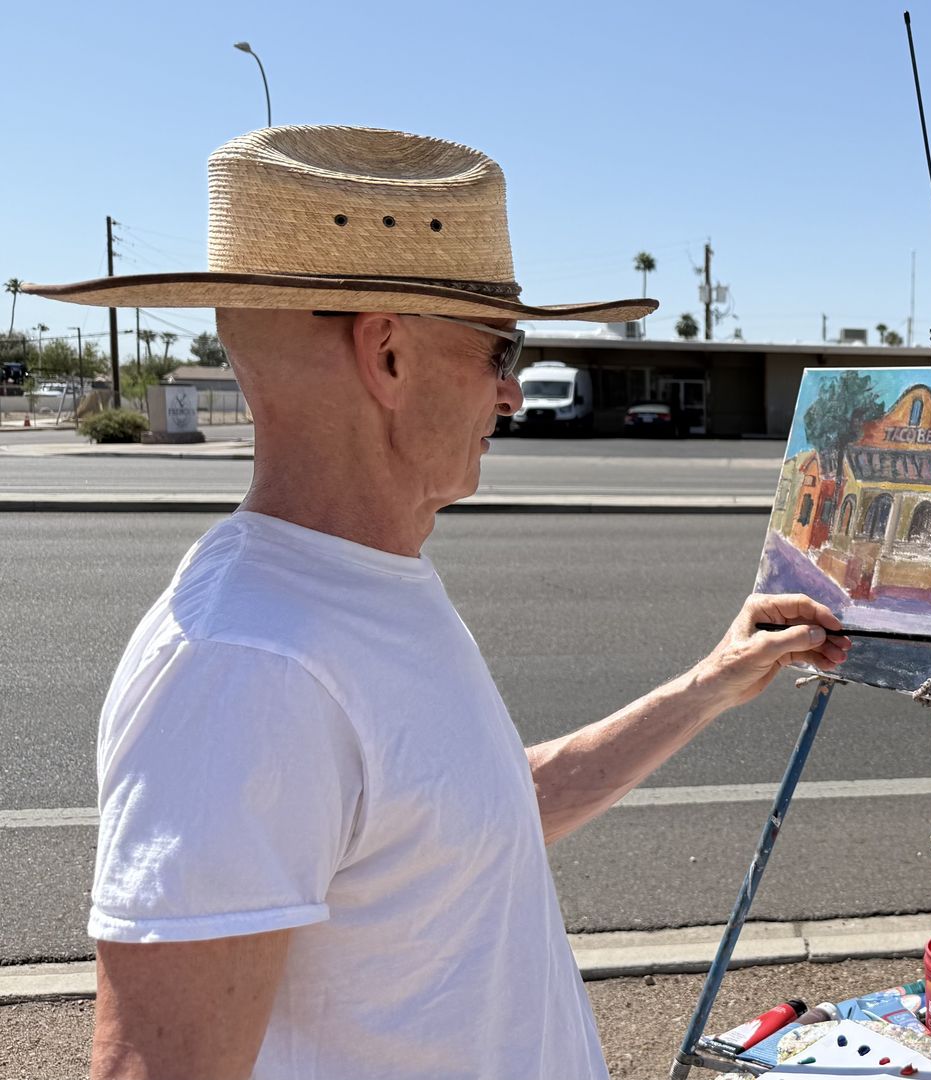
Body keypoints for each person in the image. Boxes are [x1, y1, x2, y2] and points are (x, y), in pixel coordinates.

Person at [25, 125, 850, 1080]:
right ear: (386, 357)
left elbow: (481, 813)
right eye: (502, 349)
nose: (511, 393)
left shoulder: (363, 583)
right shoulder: (246, 661)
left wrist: (710, 684)